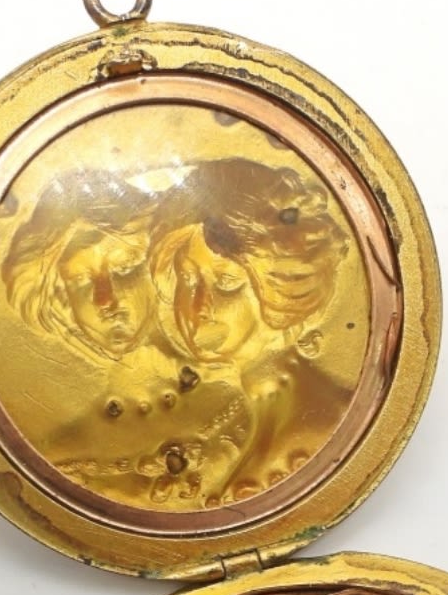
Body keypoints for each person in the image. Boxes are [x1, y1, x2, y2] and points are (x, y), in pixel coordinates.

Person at [1, 170, 249, 506]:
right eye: (80, 281)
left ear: (158, 270)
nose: (106, 300)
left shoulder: (248, 395)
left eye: (124, 268)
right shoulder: (61, 455)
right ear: (61, 300)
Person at [150, 158, 353, 499]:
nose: (199, 306)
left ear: (282, 288)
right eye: (188, 278)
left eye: (226, 283)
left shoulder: (312, 433)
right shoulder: (243, 420)